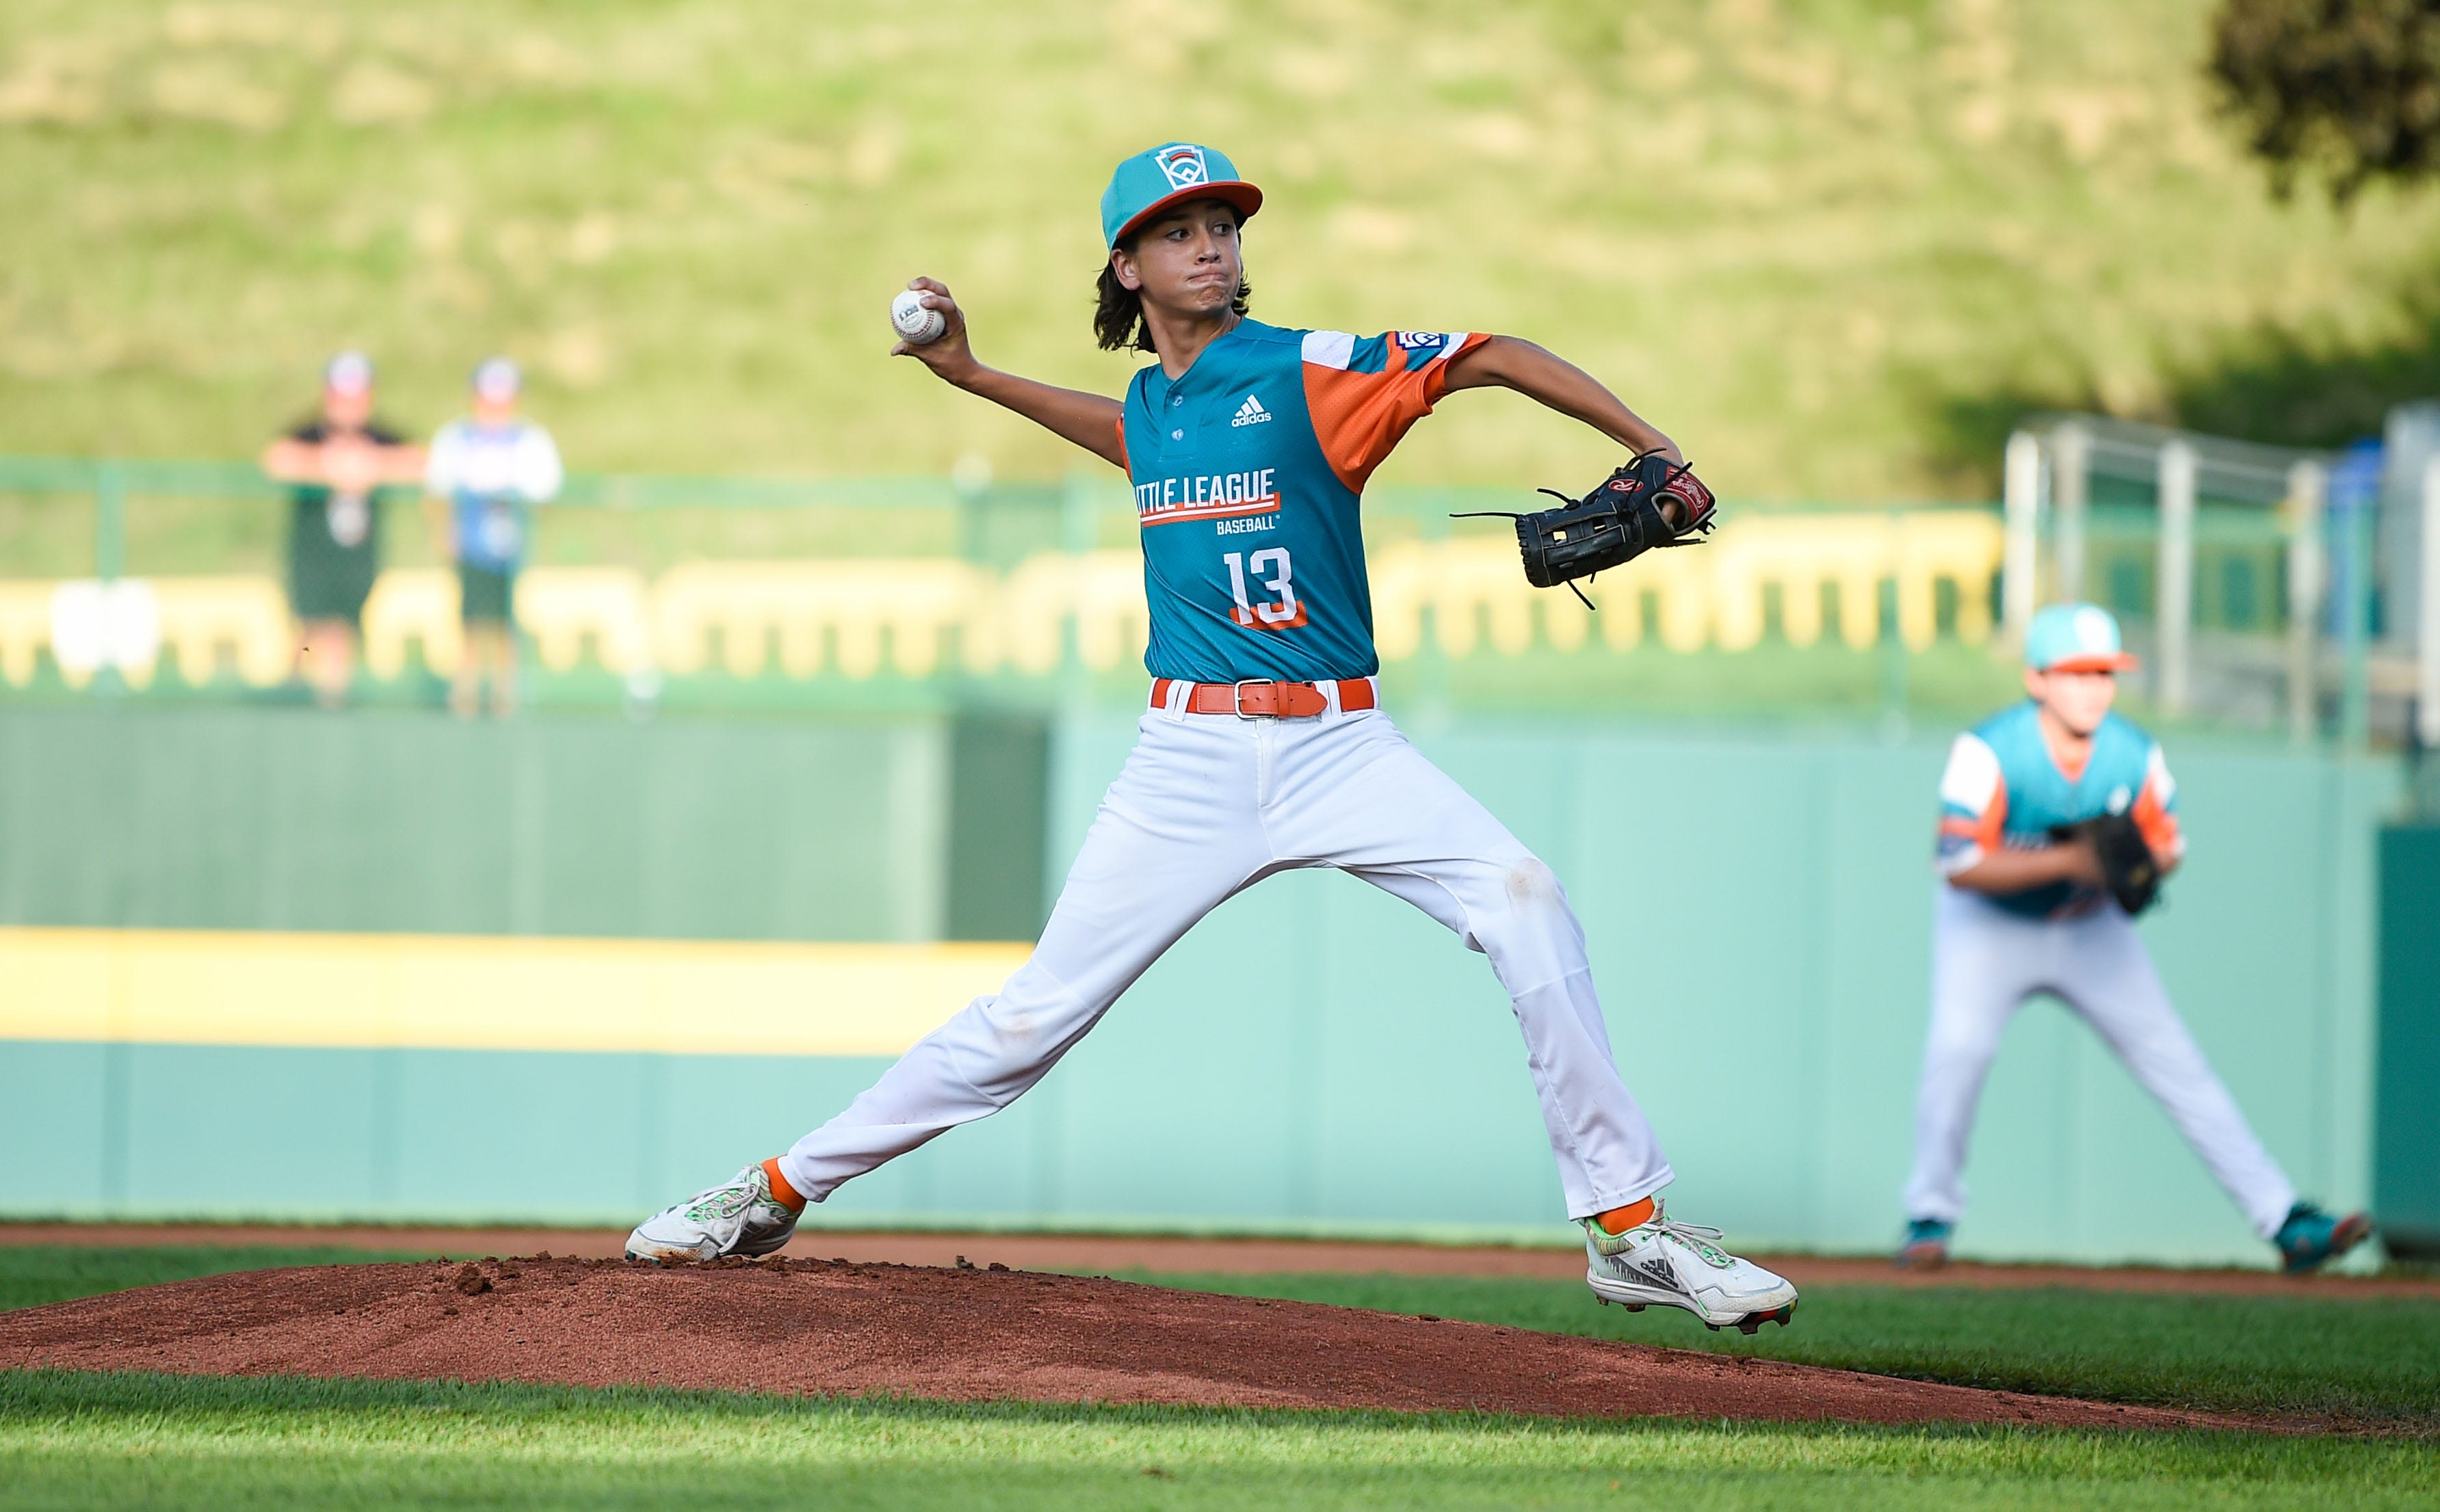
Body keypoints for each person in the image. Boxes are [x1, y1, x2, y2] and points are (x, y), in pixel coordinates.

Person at [625, 142, 1801, 1333]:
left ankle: (1627, 1230)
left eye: (1223, 226)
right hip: (1185, 762)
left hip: (1342, 748)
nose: (1211, 246)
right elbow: (1135, 438)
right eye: (1178, 230)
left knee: (1525, 897)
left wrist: (1658, 450)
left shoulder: (1302, 370)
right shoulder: (1154, 407)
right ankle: (772, 1192)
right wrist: (973, 378)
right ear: (1126, 266)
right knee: (1031, 1018)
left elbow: (1488, 353)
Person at [1898, 602, 2374, 1273]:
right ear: (2037, 679)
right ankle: (1930, 1216)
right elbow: (1959, 863)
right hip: (1991, 929)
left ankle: (2287, 1221)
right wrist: (2071, 860)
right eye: (2077, 672)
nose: (2094, 686)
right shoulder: (1990, 751)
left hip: (2092, 925)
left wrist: (2135, 863)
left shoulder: (2133, 753)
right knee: (1958, 1053)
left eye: (2106, 673)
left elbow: (2169, 847)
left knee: (2177, 1062)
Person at [259, 352, 424, 708]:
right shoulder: (311, 435)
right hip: (313, 552)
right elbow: (277, 459)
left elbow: (419, 462)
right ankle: (295, 694)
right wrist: (330, 466)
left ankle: (331, 701)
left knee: (341, 631)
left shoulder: (377, 438)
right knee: (307, 632)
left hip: (355, 556)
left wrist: (371, 466)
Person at [423, 358, 563, 717]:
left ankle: (506, 699)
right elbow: (438, 496)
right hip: (470, 547)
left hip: (514, 549)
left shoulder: (530, 441)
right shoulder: (456, 439)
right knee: (470, 623)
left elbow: (544, 497)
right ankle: (465, 699)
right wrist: (445, 533)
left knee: (506, 627)